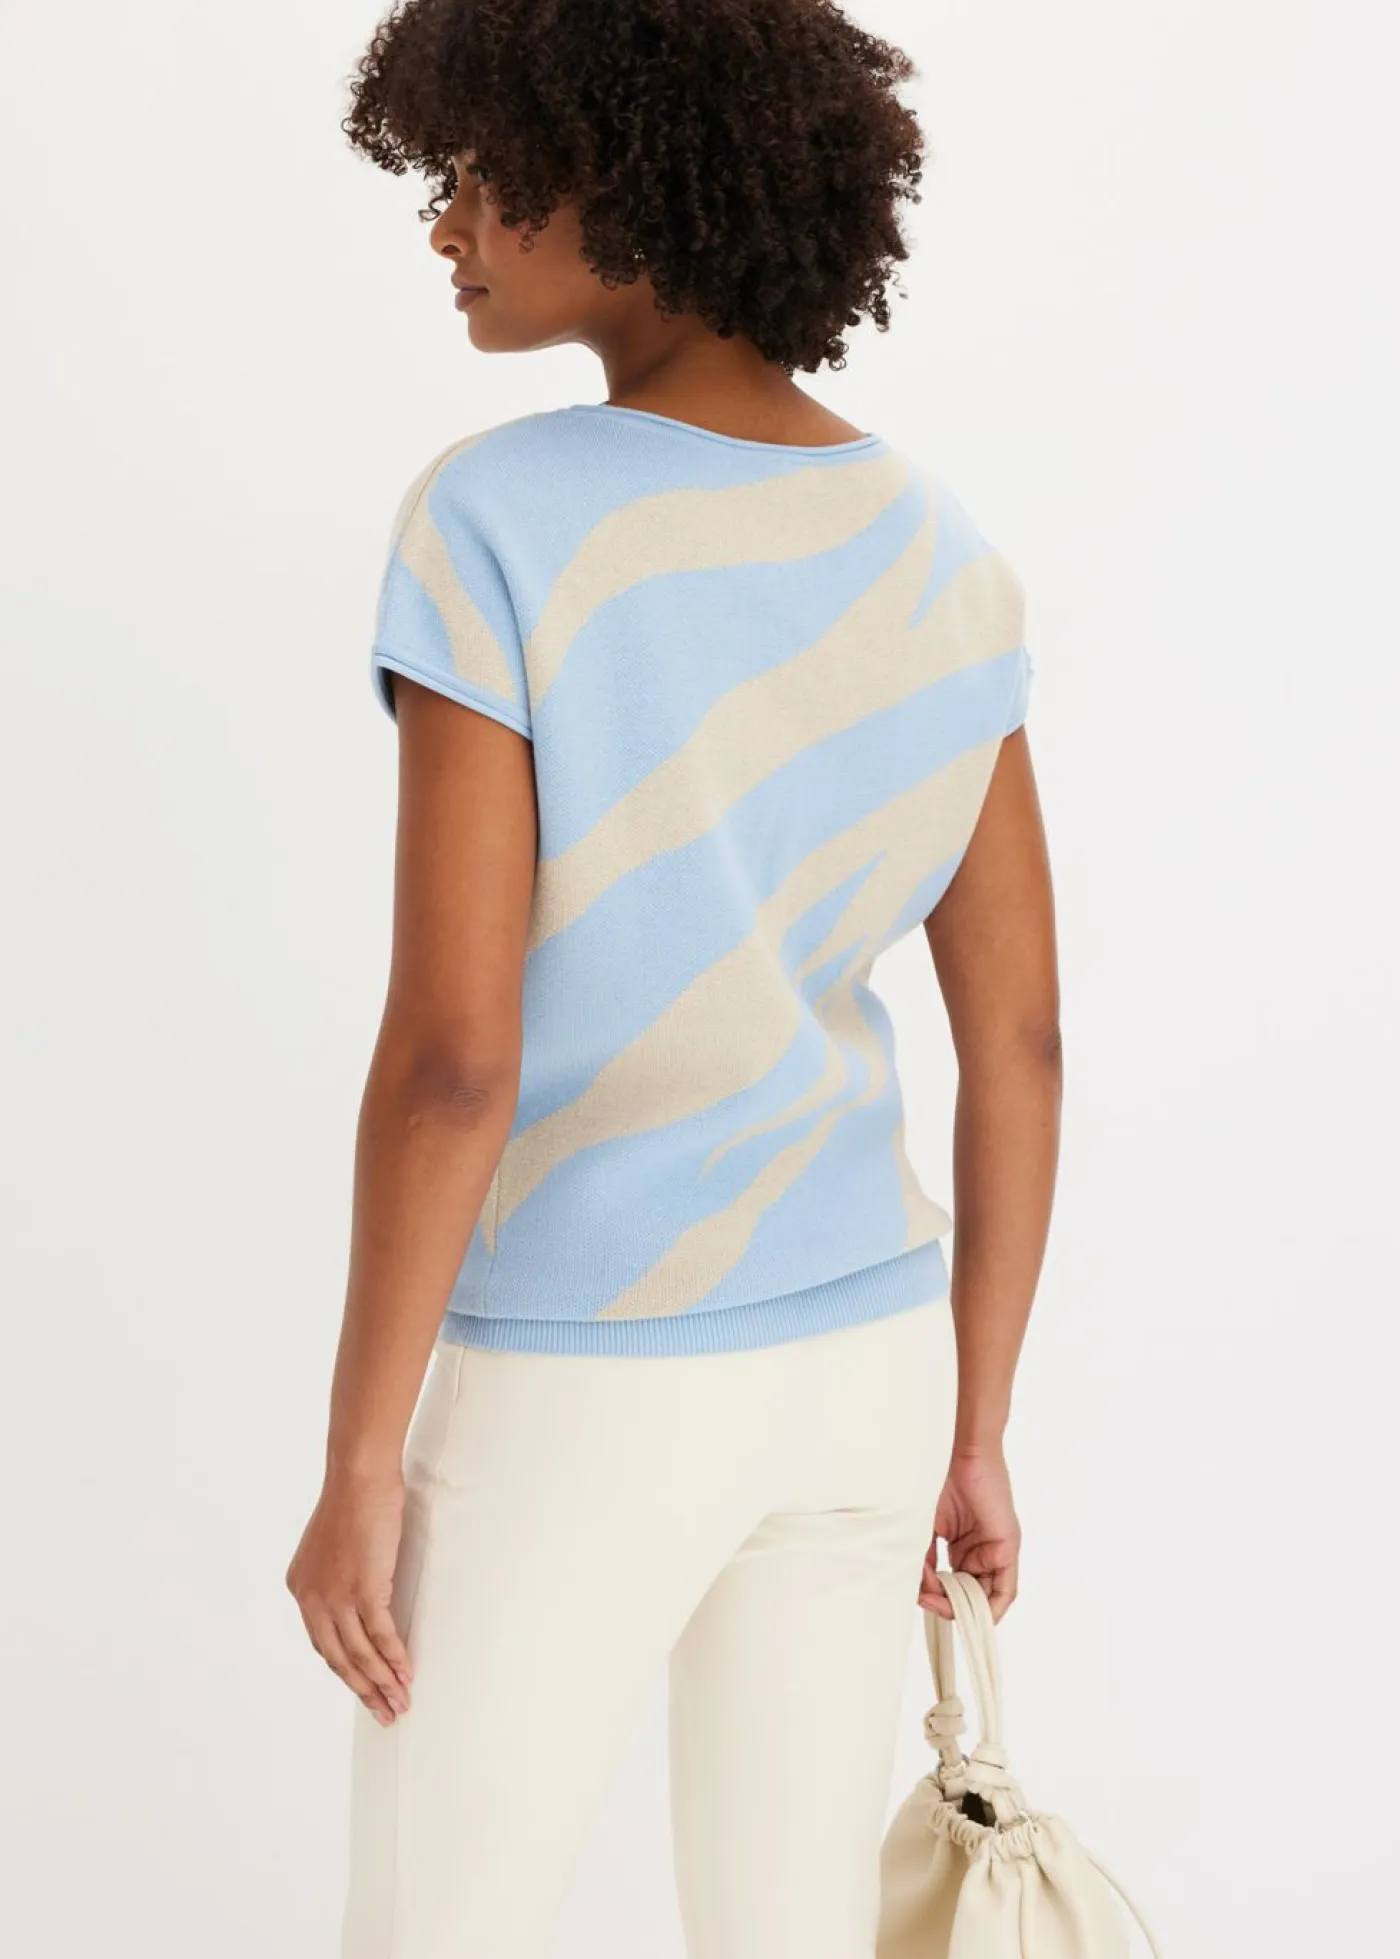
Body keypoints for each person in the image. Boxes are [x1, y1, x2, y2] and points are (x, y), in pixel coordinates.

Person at [285, 2, 1061, 1955]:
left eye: (482, 177)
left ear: (626, 178)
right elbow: (1022, 1041)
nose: (445, 223)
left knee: (440, 1927)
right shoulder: (936, 545)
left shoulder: (498, 518)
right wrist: (976, 1419)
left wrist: (360, 1459)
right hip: (866, 1369)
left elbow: (456, 1060)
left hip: (582, 1372)